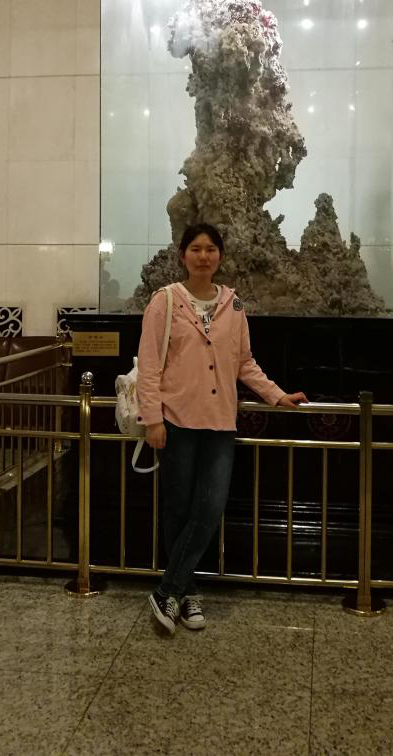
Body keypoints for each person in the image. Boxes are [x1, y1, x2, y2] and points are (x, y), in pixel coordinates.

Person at [136, 223, 306, 634]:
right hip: (176, 420)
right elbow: (150, 365)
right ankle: (186, 592)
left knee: (209, 509)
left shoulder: (234, 304)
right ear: (182, 255)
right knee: (178, 509)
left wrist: (276, 395)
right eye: (195, 248)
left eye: (211, 249)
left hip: (219, 423)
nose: (203, 256)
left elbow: (244, 362)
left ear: (221, 256)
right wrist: (152, 419)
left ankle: (168, 589)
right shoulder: (165, 301)